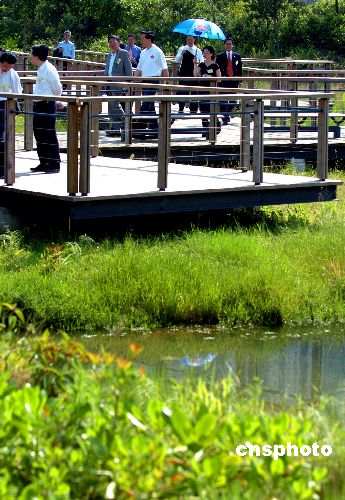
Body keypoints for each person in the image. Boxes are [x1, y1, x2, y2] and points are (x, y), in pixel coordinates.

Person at [30, 44, 62, 174]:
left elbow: (57, 87)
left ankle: (54, 163)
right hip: (38, 104)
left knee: (49, 133)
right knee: (39, 133)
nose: (31, 57)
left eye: (32, 55)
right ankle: (44, 161)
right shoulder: (40, 69)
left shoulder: (49, 69)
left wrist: (56, 100)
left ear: (36, 57)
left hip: (47, 104)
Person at [134, 31, 169, 136]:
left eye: (143, 38)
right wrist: (133, 81)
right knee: (150, 105)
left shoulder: (158, 51)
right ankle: (155, 129)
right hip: (144, 80)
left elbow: (165, 69)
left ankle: (140, 129)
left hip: (154, 79)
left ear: (149, 39)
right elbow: (139, 69)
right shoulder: (143, 52)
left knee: (146, 104)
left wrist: (165, 85)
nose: (141, 40)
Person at [104, 35, 132, 138]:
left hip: (119, 84)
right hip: (109, 83)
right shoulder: (109, 55)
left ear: (119, 42)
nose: (112, 44)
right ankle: (116, 129)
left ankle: (127, 122)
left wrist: (129, 83)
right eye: (110, 42)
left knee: (115, 105)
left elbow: (128, 70)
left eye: (114, 42)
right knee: (111, 107)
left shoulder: (123, 53)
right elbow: (107, 69)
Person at [0, 51, 22, 179]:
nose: (7, 69)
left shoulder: (13, 74)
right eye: (5, 66)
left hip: (4, 105)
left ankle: (3, 168)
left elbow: (17, 92)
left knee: (2, 138)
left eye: (10, 67)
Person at [193, 45, 222, 138]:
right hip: (202, 89)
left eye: (206, 53)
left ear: (211, 54)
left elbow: (219, 79)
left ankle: (216, 127)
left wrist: (211, 78)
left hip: (212, 91)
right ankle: (206, 129)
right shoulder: (201, 64)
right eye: (203, 53)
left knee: (211, 109)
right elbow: (195, 75)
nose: (204, 54)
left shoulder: (215, 65)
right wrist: (195, 64)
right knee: (203, 110)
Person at [216, 37, 242, 125]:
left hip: (234, 80)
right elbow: (217, 68)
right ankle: (225, 116)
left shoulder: (237, 56)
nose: (228, 45)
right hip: (223, 80)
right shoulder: (219, 56)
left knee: (233, 100)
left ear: (232, 45)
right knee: (222, 99)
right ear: (224, 45)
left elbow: (239, 69)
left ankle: (227, 113)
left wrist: (240, 80)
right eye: (227, 44)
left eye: (230, 44)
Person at [175, 35, 203, 114]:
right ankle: (181, 108)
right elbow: (177, 60)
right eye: (188, 40)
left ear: (194, 39)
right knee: (182, 91)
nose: (189, 41)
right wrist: (181, 53)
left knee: (194, 91)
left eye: (191, 39)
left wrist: (197, 62)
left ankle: (193, 110)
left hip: (194, 73)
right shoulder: (182, 48)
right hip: (184, 72)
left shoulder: (198, 50)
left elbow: (202, 62)